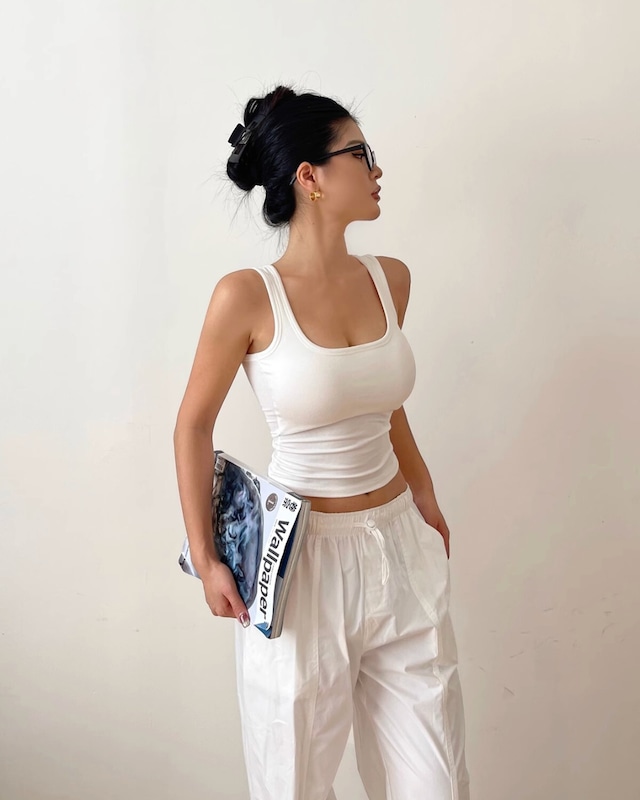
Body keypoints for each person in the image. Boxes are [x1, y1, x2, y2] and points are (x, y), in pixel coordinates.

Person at [173, 84, 471, 800]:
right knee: (295, 783)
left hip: (399, 548)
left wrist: (424, 493)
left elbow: (379, 404)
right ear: (309, 177)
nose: (376, 168)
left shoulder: (390, 280)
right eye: (360, 153)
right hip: (298, 565)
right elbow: (192, 425)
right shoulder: (246, 296)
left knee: (436, 781)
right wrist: (207, 559)